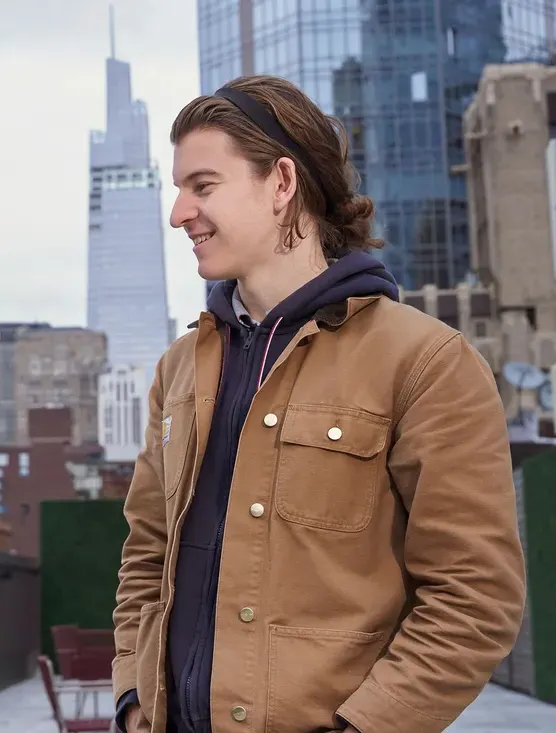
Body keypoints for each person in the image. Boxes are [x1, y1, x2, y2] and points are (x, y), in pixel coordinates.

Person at [112, 75, 526, 733]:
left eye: (203, 186)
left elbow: (475, 597)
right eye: (179, 190)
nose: (179, 213)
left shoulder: (425, 362)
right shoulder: (179, 369)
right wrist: (134, 700)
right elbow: (146, 555)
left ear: (282, 184)